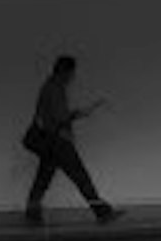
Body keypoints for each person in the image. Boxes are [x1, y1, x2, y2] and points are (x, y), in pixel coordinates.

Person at [20, 54, 121, 228]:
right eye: (72, 73)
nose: (73, 77)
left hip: (50, 141)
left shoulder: (49, 86)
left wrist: (74, 114)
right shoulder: (54, 88)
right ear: (65, 71)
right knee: (80, 176)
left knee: (44, 177)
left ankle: (32, 212)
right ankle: (101, 212)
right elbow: (60, 117)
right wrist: (79, 114)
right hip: (58, 141)